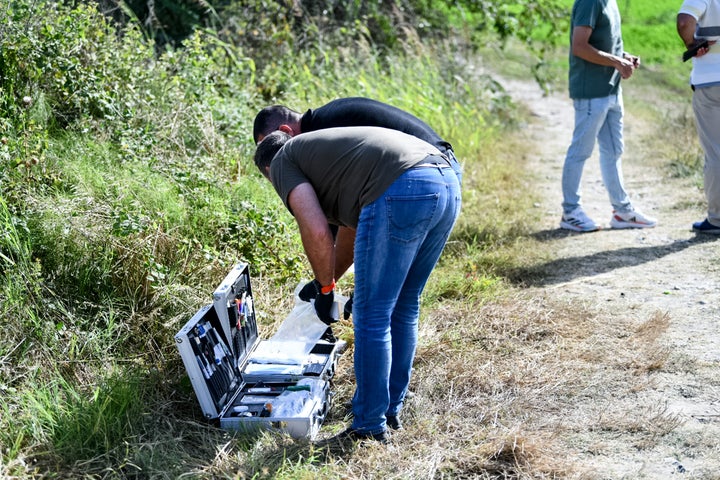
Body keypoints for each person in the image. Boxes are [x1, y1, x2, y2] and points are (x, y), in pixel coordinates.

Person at [254, 126, 461, 443]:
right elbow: (354, 228)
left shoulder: (282, 162)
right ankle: (389, 411)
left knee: (371, 314)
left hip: (403, 186)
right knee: (404, 306)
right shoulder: (328, 157)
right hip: (445, 181)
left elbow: (316, 230)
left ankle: (368, 426)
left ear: (268, 171)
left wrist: (326, 290)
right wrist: (330, 282)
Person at [560, 0, 657, 232]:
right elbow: (580, 46)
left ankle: (622, 212)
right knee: (580, 151)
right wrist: (617, 61)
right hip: (591, 92)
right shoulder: (590, 2)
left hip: (612, 89)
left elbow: (603, 43)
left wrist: (624, 56)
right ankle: (570, 212)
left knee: (614, 151)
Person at [252, 97, 463, 184]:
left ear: (286, 131)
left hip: (430, 171)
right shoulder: (327, 117)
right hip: (442, 168)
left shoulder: (323, 133)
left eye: (273, 146)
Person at [677, 1, 720, 234]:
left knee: (716, 152)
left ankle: (717, 219)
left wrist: (692, 44)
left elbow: (685, 21)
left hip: (711, 81)